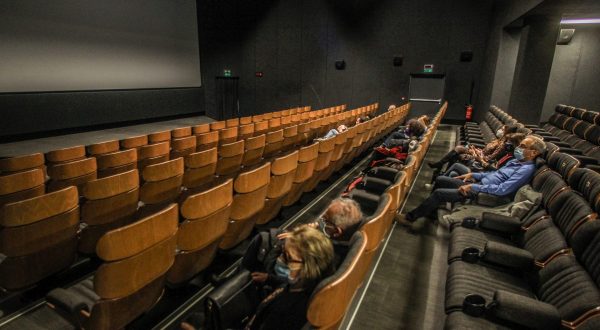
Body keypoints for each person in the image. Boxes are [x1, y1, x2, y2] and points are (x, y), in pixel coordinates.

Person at [399, 135, 545, 224]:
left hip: (487, 195)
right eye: (519, 145)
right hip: (480, 185)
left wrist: (473, 187)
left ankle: (410, 218)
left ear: (534, 152)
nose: (518, 148)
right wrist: (474, 175)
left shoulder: (526, 170)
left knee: (439, 193)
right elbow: (493, 175)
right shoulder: (515, 162)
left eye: (522, 146)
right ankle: (430, 212)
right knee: (442, 179)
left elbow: (503, 190)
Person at [246, 198, 362, 287]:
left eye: (325, 220)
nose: (318, 222)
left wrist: (269, 279)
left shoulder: (326, 258)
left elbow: (299, 283)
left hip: (276, 278)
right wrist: (304, 233)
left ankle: (244, 279)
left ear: (336, 232)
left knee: (264, 238)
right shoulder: (340, 243)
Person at [245, 225, 334, 330]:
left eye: (288, 257)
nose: (280, 258)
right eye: (282, 252)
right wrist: (269, 278)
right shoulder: (303, 284)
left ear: (309, 267)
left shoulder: (289, 312)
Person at [427, 125, 518, 170]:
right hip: (480, 153)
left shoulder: (502, 145)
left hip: (480, 158)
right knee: (458, 149)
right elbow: (486, 150)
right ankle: (441, 168)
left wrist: (477, 154)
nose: (499, 130)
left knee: (457, 152)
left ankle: (441, 167)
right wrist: (477, 149)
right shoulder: (498, 140)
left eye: (502, 129)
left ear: (507, 132)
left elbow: (490, 158)